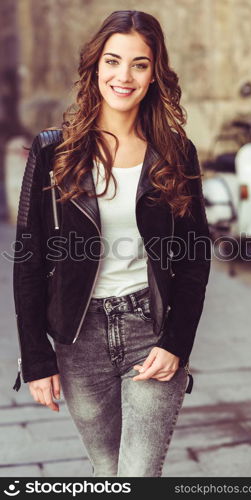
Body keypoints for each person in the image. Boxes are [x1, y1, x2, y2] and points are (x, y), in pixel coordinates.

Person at [12, 10, 211, 477]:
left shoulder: (176, 152)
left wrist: (177, 341)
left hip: (151, 330)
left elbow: (195, 259)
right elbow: (29, 260)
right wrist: (36, 358)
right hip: (79, 340)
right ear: (95, 67)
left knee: (137, 475)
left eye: (139, 64)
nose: (124, 76)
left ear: (155, 73)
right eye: (113, 61)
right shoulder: (52, 152)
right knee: (108, 474)